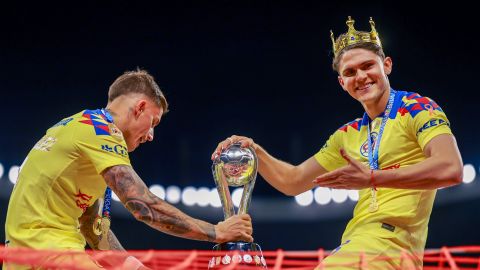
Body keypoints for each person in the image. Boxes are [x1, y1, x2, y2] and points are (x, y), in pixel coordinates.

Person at [212, 17, 463, 269]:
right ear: (342, 83)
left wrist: (372, 178)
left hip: (389, 247)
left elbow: (451, 169)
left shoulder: (417, 108)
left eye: (368, 66)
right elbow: (293, 181)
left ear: (386, 65)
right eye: (350, 72)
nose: (361, 76)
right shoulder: (349, 133)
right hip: (358, 245)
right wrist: (255, 150)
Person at [4, 69, 253, 270]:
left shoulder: (77, 126)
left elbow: (91, 225)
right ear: (140, 107)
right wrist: (216, 231)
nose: (151, 135)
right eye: (153, 122)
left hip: (23, 257)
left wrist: (134, 267)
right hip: (51, 250)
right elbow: (142, 205)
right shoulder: (102, 131)